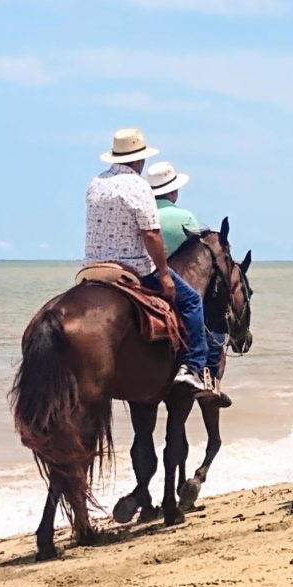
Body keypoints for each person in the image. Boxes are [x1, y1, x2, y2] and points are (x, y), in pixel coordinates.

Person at [84, 128, 212, 397]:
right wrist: (164, 274)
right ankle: (193, 367)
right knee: (191, 301)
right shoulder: (138, 186)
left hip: (93, 267)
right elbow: (151, 235)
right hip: (133, 267)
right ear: (139, 159)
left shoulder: (96, 183)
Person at [145, 160, 229, 404]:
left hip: (140, 275)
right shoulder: (184, 217)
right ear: (173, 191)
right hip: (170, 277)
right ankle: (201, 369)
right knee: (200, 311)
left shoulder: (147, 213)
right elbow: (199, 256)